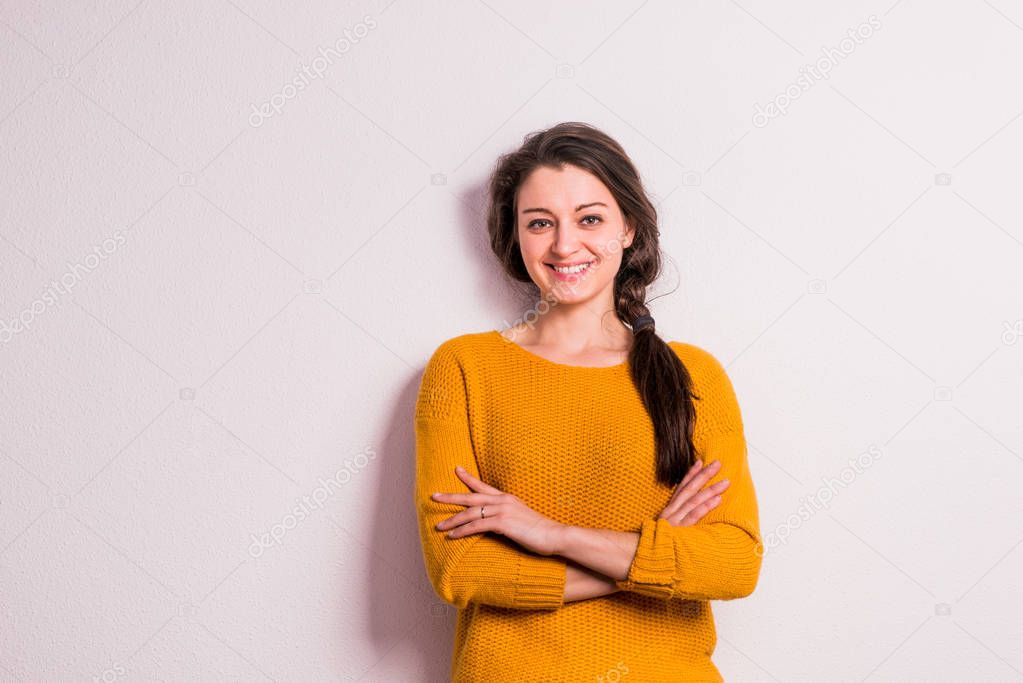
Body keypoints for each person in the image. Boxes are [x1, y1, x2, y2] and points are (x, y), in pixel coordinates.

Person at [413, 121, 762, 682]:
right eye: (539, 223)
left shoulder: (695, 374)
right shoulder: (464, 368)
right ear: (515, 236)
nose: (564, 244)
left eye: (589, 218)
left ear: (628, 228)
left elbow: (733, 564)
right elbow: (461, 568)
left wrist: (550, 535)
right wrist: (645, 554)